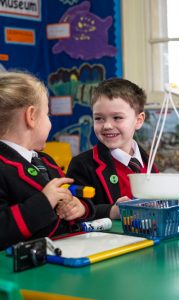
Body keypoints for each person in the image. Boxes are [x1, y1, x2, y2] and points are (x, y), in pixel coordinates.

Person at [0, 71, 95, 250]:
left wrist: (78, 207)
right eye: (47, 114)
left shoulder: (46, 162)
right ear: (31, 116)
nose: (49, 120)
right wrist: (45, 201)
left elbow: (72, 196)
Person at [67, 78, 158, 219]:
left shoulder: (148, 161)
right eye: (99, 118)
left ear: (138, 121)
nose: (107, 125)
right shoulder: (82, 165)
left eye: (117, 117)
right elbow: (76, 211)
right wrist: (111, 211)